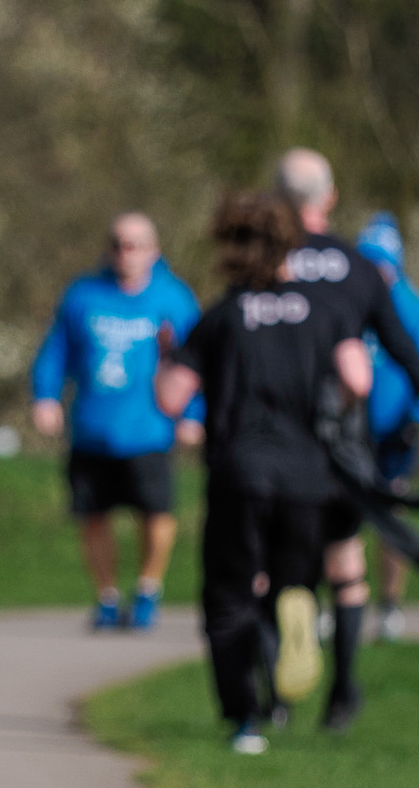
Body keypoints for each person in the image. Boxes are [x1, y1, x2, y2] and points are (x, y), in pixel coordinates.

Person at [157, 191, 371, 755]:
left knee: (229, 595)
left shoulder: (222, 316)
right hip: (306, 475)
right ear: (289, 244)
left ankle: (246, 720)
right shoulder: (325, 310)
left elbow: (172, 400)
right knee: (289, 582)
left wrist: (166, 358)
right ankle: (297, 612)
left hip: (239, 473)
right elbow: (358, 378)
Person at [275, 150, 419, 727]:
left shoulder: (266, 263)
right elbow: (406, 352)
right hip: (343, 440)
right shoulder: (359, 269)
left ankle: (276, 701)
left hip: (279, 439)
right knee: (345, 557)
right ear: (328, 198)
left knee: (280, 566)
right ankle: (344, 690)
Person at [31, 214, 204, 630]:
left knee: (156, 514)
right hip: (93, 428)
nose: (125, 253)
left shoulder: (174, 299)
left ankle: (148, 586)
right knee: (93, 516)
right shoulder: (83, 296)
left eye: (136, 245)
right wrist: (45, 397)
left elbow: (198, 361)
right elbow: (55, 352)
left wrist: (193, 415)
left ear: (154, 250)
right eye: (118, 244)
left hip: (149, 429)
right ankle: (106, 597)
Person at [354, 213, 419, 640]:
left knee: (390, 515)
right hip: (351, 430)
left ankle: (391, 605)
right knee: (340, 515)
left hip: (397, 431)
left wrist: (414, 420)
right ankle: (341, 601)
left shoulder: (410, 306)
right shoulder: (346, 301)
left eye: (384, 261)